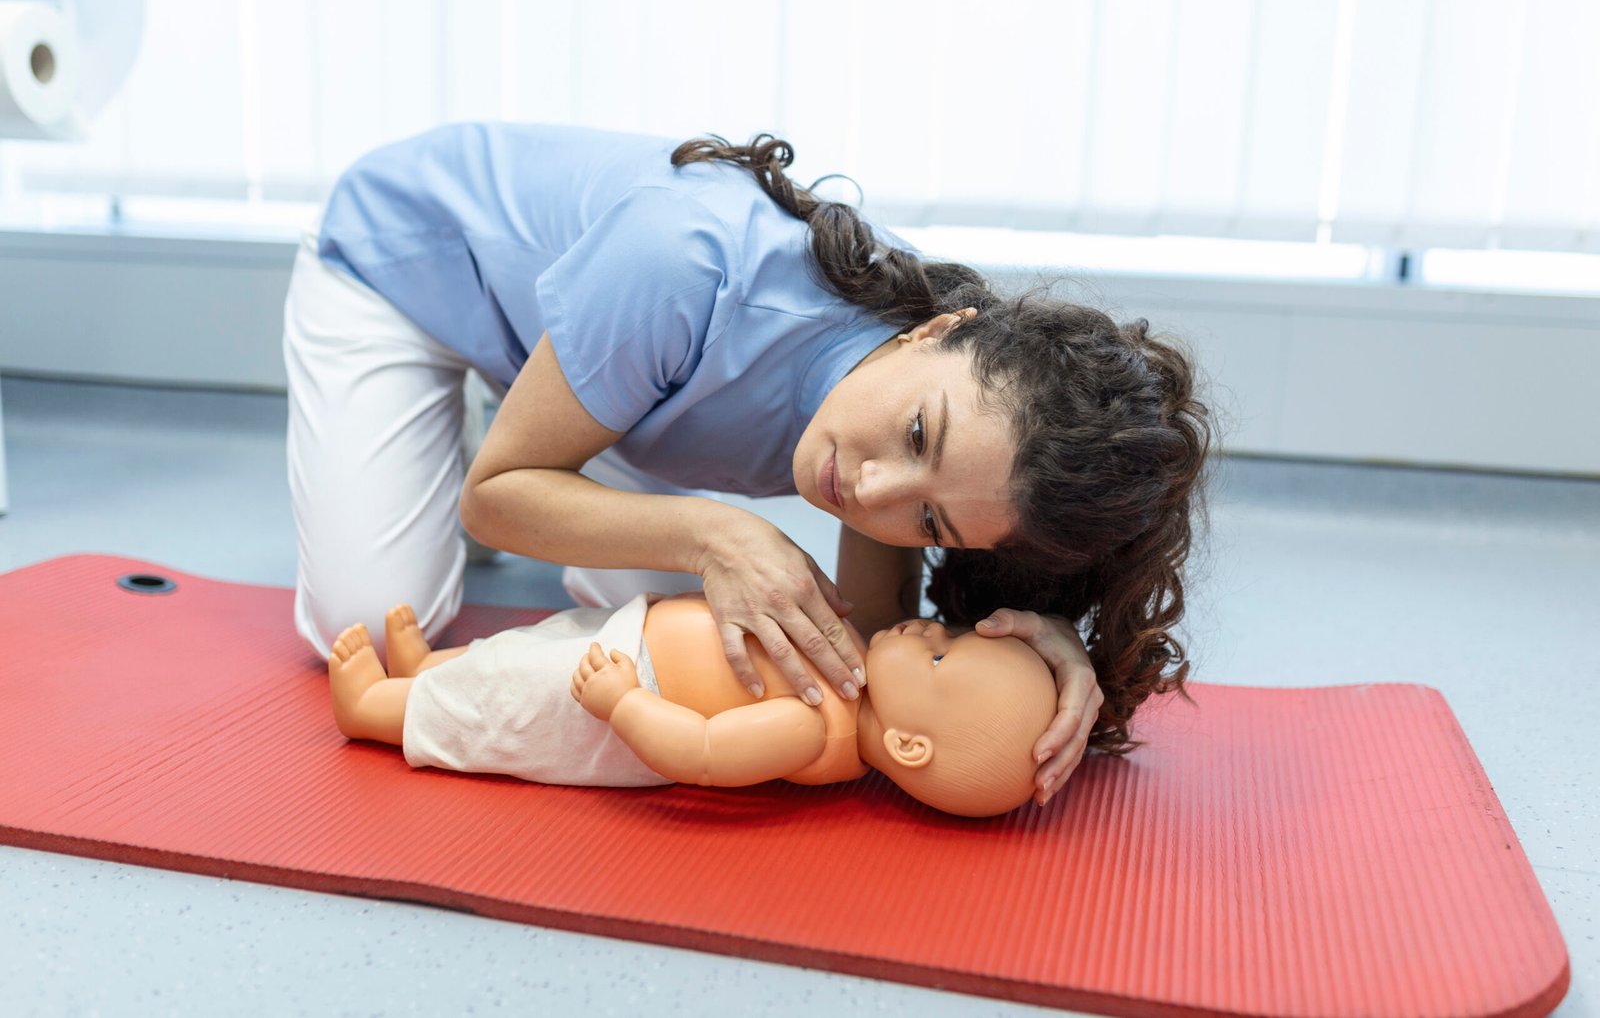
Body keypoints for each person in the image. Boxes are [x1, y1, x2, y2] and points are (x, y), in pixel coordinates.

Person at [284, 125, 1211, 806]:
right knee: (358, 619)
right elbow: (492, 501)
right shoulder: (687, 262)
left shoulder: (924, 422)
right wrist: (718, 530)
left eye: (931, 523)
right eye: (919, 435)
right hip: (400, 266)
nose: (873, 491)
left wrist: (1039, 649)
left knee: (703, 639)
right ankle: (523, 408)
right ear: (932, 331)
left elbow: (876, 645)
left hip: (630, 385)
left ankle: (555, 405)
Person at [326, 596, 1056, 818]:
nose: (932, 628)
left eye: (939, 655)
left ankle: (374, 706)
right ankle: (428, 668)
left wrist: (625, 702)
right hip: (630, 634)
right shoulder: (851, 675)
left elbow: (703, 752)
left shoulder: (811, 726)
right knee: (518, 649)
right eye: (951, 633)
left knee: (505, 699)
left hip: (621, 692)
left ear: (909, 746)